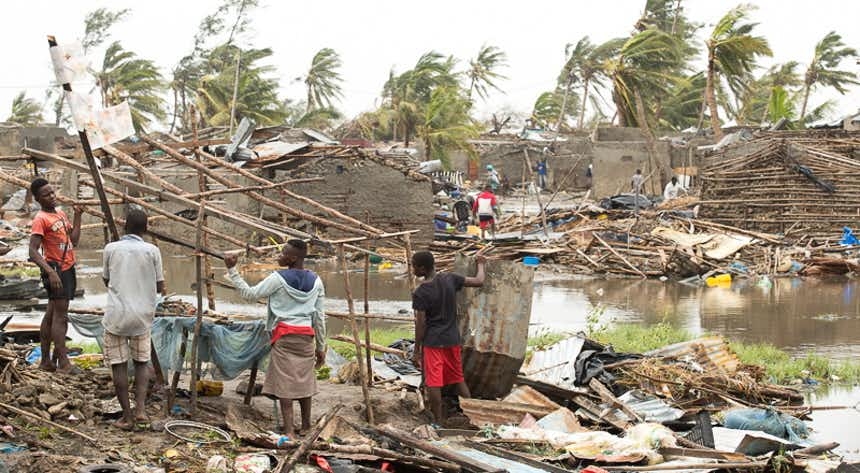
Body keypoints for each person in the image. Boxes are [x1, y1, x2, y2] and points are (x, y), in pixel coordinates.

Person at [225, 240, 325, 439]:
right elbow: (319, 317)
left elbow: (250, 295)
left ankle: (289, 430)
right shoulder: (316, 280)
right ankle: (306, 426)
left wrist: (232, 270)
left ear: (293, 258)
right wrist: (321, 347)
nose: (278, 256)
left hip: (284, 336)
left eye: (283, 253)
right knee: (304, 381)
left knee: (285, 384)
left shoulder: (277, 278)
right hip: (306, 337)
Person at [101, 209, 164, 430]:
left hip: (116, 316)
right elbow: (159, 286)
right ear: (145, 229)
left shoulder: (111, 249)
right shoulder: (152, 251)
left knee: (118, 365)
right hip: (142, 317)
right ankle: (140, 410)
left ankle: (126, 418)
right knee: (141, 363)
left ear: (124, 227)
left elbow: (106, 279)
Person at [411, 252, 486, 424]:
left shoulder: (421, 292)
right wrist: (481, 264)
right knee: (458, 378)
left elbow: (420, 324)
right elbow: (479, 281)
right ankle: (475, 417)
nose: (413, 269)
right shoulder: (449, 279)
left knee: (433, 381)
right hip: (452, 339)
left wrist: (416, 351)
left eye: (414, 265)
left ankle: (438, 421)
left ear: (422, 268)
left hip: (433, 341)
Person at [28, 178, 82, 374]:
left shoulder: (60, 213)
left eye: (52, 192)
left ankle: (46, 361)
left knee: (51, 315)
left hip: (67, 267)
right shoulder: (40, 219)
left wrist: (77, 216)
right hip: (56, 270)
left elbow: (73, 241)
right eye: (46, 195)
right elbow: (32, 251)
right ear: (38, 199)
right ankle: (64, 363)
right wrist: (51, 273)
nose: (51, 196)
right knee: (61, 317)